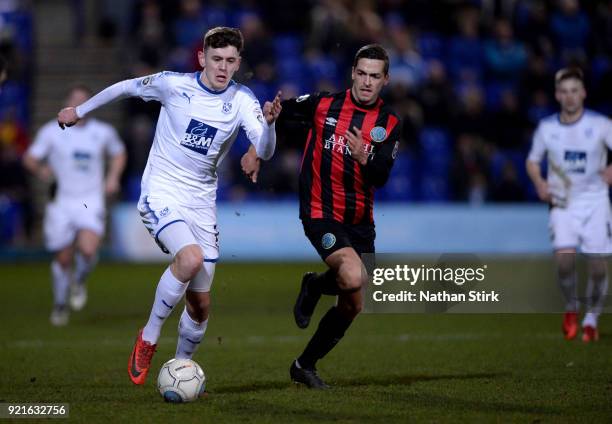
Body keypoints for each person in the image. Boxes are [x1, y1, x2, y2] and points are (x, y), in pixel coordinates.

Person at [57, 27, 281, 385]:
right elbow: (126, 87)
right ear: (201, 58)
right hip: (161, 191)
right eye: (216, 59)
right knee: (189, 259)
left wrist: (268, 127)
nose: (222, 67)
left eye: (230, 61)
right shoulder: (173, 85)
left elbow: (265, 151)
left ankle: (181, 368)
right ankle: (148, 336)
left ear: (238, 63)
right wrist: (80, 110)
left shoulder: (242, 100)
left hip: (201, 202)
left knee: (201, 306)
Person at [243, 44, 401, 388]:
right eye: (362, 73)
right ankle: (316, 284)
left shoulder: (388, 124)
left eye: (375, 76)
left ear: (385, 80)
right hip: (320, 210)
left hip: (360, 220)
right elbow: (277, 116)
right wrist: (256, 148)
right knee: (353, 274)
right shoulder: (324, 105)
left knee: (353, 304)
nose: (367, 82)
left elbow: (382, 175)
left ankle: (304, 363)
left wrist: (364, 158)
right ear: (353, 73)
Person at [24, 85, 127, 326]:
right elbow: (30, 157)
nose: (79, 104)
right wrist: (41, 170)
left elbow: (119, 153)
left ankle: (79, 282)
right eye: (75, 100)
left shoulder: (103, 132)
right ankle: (60, 304)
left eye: (84, 101)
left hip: (90, 200)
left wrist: (113, 177)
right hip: (62, 201)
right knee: (63, 258)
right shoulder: (51, 131)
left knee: (89, 250)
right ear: (67, 103)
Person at [526, 67, 612, 343]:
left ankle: (592, 318)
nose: (570, 97)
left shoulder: (601, 125)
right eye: (565, 92)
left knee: (598, 266)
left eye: (575, 91)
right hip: (562, 202)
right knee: (565, 262)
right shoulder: (548, 128)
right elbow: (531, 161)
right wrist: (539, 182)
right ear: (557, 95)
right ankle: (572, 307)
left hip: (595, 202)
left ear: (583, 93)